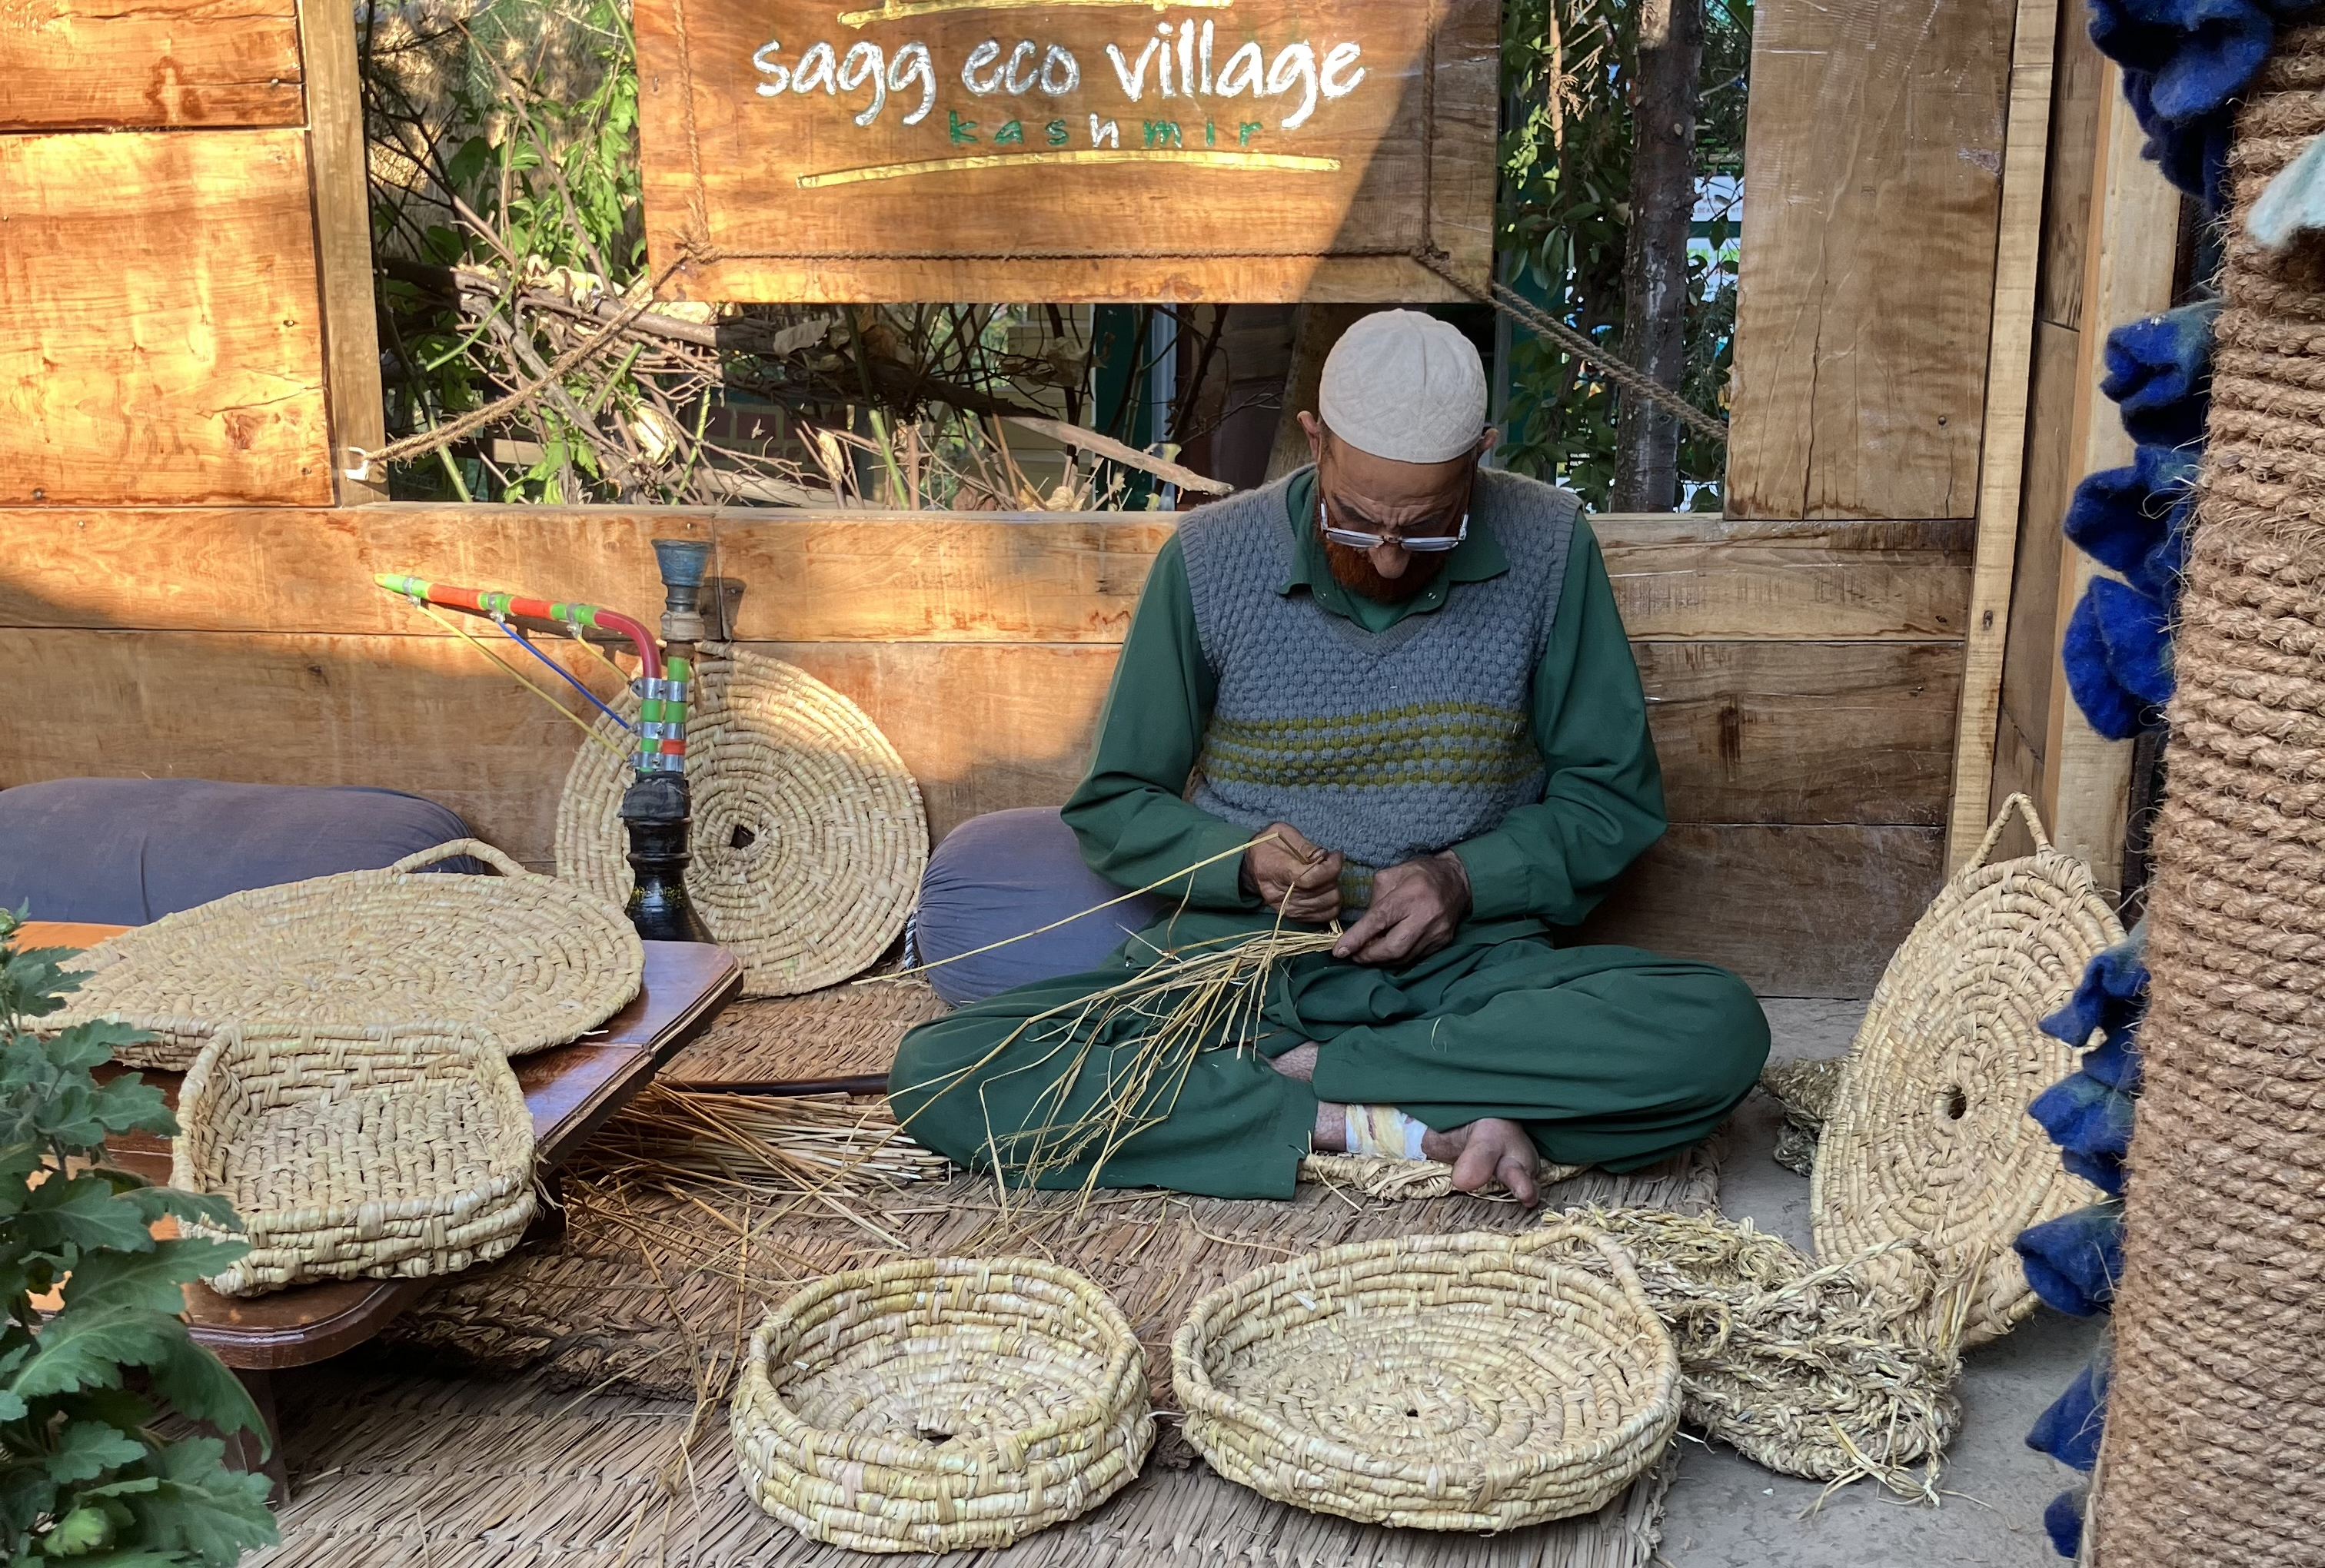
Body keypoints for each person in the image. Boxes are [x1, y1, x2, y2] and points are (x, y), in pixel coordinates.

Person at [890, 310, 1768, 1204]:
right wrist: (1240, 863)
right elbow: (1115, 803)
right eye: (1357, 521)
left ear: (1479, 458)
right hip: (1234, 977)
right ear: (1315, 441)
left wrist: (1465, 878)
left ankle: (1317, 1076)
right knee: (941, 1069)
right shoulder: (1209, 558)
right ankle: (1372, 1120)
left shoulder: (1548, 545)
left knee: (1718, 1030)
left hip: (1465, 978)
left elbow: (1611, 800)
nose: (1388, 560)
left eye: (1428, 528)